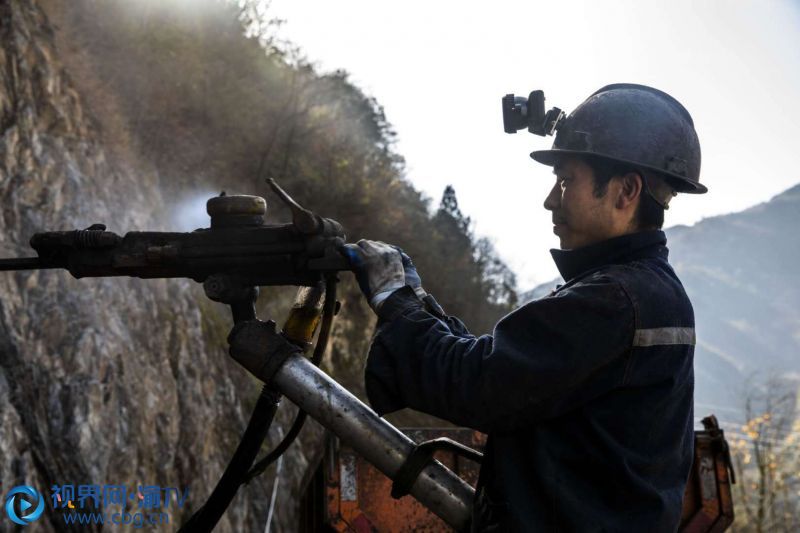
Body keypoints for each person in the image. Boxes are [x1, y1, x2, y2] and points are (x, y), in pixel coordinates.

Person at [340, 84, 707, 531]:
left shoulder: (616, 300)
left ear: (625, 192)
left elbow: (480, 381)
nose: (552, 199)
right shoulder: (649, 294)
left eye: (567, 180)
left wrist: (393, 299)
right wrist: (417, 304)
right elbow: (511, 367)